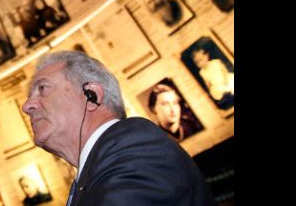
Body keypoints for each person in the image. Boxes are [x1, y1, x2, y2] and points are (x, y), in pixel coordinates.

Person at [21, 50, 213, 205]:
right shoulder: (93, 172)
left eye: (43, 89)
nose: (27, 106)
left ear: (91, 95)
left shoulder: (136, 142)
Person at [190, 43, 234, 108]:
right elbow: (207, 83)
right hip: (216, 85)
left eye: (201, 60)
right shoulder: (202, 72)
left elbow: (224, 71)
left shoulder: (215, 62)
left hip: (224, 79)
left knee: (231, 81)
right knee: (214, 91)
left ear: (206, 56)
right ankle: (226, 95)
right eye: (197, 62)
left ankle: (230, 92)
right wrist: (210, 90)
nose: (200, 63)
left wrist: (225, 79)